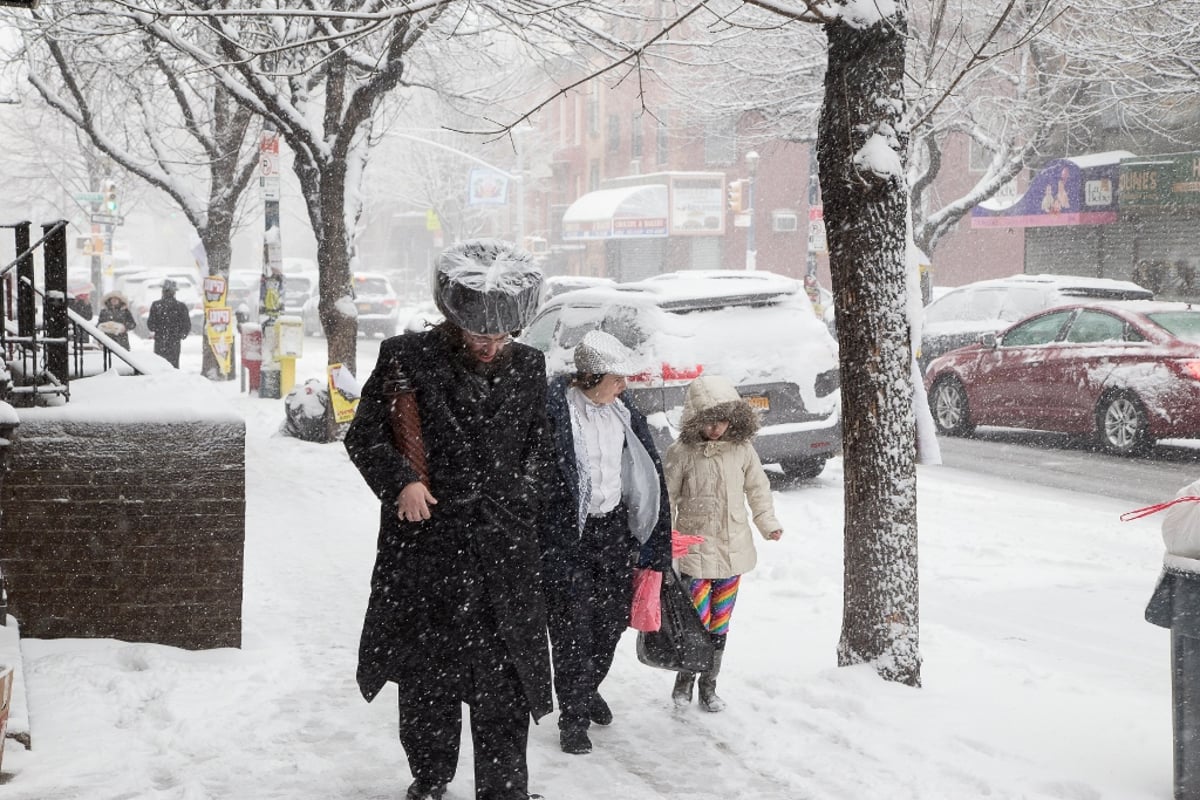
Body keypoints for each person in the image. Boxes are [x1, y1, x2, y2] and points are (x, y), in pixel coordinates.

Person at [344, 239, 552, 800]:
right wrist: (402, 482)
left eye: (502, 337)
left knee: (505, 685)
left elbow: (542, 449)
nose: (491, 348)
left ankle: (505, 790)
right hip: (429, 555)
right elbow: (364, 435)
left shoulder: (532, 366)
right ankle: (430, 781)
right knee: (428, 681)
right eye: (480, 336)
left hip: (503, 560)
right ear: (452, 317)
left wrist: (523, 500)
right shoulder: (404, 358)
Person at [541, 329, 672, 755]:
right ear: (593, 376)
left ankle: (587, 685)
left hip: (612, 530)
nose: (624, 385)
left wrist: (655, 536)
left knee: (612, 620)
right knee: (571, 627)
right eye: (617, 378)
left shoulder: (623, 410)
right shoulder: (555, 410)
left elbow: (647, 470)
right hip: (568, 534)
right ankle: (573, 717)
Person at [663, 374, 783, 713]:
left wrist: (768, 523)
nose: (716, 429)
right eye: (708, 422)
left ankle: (709, 683)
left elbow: (758, 490)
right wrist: (665, 537)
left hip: (733, 550)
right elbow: (667, 498)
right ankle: (686, 676)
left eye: (723, 421)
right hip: (695, 551)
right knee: (696, 621)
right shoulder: (682, 454)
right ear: (695, 420)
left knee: (720, 622)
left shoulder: (742, 452)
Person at [146, 279, 191, 368]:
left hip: (160, 339)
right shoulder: (181, 306)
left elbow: (150, 325)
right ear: (175, 292)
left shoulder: (156, 305)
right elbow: (186, 324)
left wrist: (158, 329)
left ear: (162, 292)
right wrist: (181, 334)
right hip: (174, 340)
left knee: (160, 364)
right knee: (173, 365)